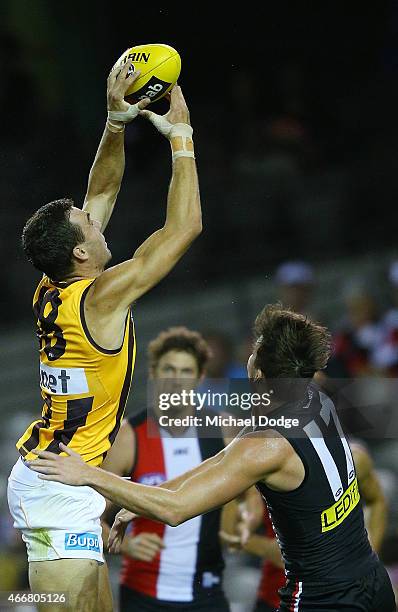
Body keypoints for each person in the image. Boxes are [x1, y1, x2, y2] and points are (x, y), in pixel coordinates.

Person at [28, 305, 396, 611]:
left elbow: (176, 510)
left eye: (256, 348)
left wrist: (88, 473)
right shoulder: (316, 399)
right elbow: (224, 462)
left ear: (259, 372)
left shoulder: (266, 443)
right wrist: (138, 502)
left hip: (323, 600)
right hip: (372, 582)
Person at [7, 58, 201, 612]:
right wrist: (181, 140)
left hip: (66, 479)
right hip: (56, 487)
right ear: (80, 253)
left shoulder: (54, 283)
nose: (99, 220)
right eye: (89, 226)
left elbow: (101, 192)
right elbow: (184, 228)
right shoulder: (101, 295)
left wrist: (116, 123)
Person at [101, 326, 230, 611]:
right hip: (143, 594)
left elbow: (253, 493)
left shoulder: (223, 430)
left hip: (208, 593)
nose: (176, 380)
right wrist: (124, 546)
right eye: (168, 369)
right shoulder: (128, 437)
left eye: (186, 372)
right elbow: (87, 516)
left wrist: (244, 517)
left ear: (199, 379)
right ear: (153, 375)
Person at [220, 439, 388, 611]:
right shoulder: (257, 465)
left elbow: (376, 501)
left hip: (347, 590)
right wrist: (264, 548)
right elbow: (226, 532)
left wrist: (371, 554)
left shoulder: (349, 459)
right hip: (279, 594)